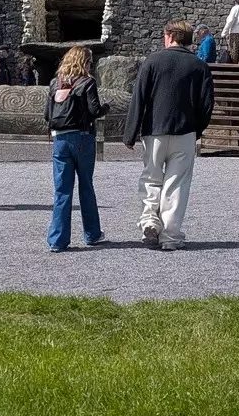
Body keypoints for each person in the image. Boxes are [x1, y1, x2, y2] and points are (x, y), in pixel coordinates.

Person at [124, 20, 215, 250]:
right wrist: (197, 130)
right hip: (185, 131)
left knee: (151, 178)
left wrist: (130, 132)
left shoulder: (153, 61)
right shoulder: (199, 66)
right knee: (177, 185)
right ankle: (171, 236)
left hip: (154, 131)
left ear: (169, 36)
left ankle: (150, 222)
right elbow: (206, 105)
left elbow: (139, 98)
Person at [44, 45, 110, 253]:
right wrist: (106, 107)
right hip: (82, 138)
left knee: (62, 190)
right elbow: (94, 110)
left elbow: (47, 115)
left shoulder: (56, 83)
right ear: (85, 62)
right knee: (86, 187)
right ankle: (92, 233)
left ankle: (57, 240)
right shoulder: (87, 82)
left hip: (60, 140)